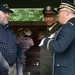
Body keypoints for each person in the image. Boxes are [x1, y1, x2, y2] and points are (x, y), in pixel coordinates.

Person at [41, 0, 75, 75]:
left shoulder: (67, 27)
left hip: (63, 68)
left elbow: (59, 47)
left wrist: (45, 41)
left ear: (67, 13)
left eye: (60, 12)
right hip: (48, 66)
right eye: (46, 17)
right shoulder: (69, 26)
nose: (48, 19)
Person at [40, 6, 61, 75]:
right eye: (46, 17)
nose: (48, 19)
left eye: (50, 17)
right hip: (44, 67)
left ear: (55, 17)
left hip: (54, 66)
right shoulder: (45, 31)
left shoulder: (60, 29)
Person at [0, 3, 17, 75]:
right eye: (4, 12)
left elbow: (13, 46)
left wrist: (15, 63)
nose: (7, 15)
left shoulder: (9, 29)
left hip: (12, 67)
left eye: (8, 13)